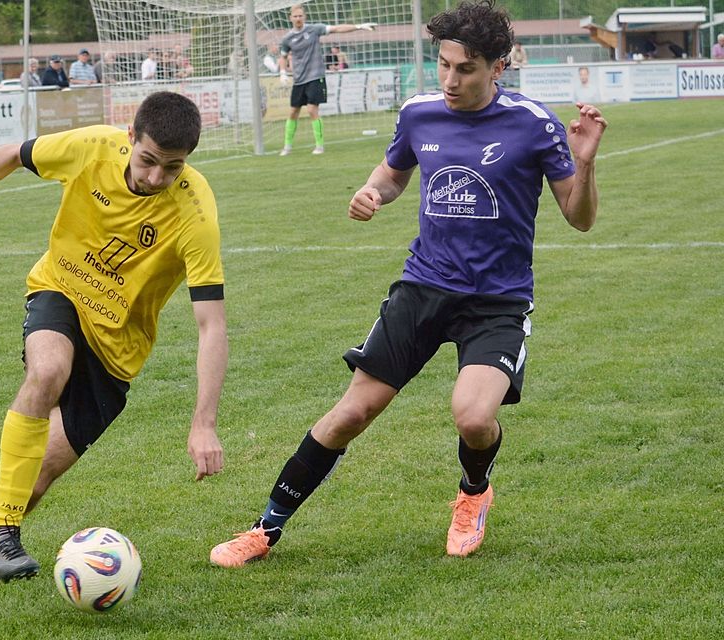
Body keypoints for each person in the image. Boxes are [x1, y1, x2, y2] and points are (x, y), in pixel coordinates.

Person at [210, 0, 607, 568]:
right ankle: (264, 529)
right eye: (443, 65)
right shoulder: (420, 113)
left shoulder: (532, 122)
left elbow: (580, 216)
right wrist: (371, 192)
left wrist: (585, 163)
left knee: (473, 417)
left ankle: (473, 494)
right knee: (351, 413)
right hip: (424, 287)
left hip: (497, 300)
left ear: (499, 67)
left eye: (465, 69)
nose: (450, 80)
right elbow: (392, 173)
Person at [0, 91, 228, 584]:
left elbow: (211, 324)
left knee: (33, 479)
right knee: (48, 368)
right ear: (130, 139)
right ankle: (7, 535)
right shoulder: (91, 147)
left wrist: (203, 422)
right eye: (147, 161)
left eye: (172, 167)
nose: (156, 178)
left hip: (118, 352)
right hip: (61, 289)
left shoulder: (195, 212)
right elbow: (10, 155)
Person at [277, 4, 376, 156]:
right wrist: (283, 73)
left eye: (300, 16)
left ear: (305, 17)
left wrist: (358, 26)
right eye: (295, 16)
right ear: (290, 18)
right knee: (292, 112)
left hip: (315, 77)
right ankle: (287, 146)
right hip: (299, 80)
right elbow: (283, 57)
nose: (298, 18)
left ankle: (319, 146)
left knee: (312, 110)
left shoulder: (314, 29)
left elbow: (336, 28)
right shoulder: (287, 38)